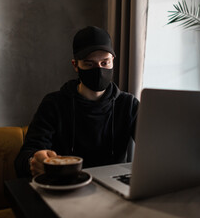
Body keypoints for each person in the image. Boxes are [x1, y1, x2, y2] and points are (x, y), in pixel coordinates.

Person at [14, 26, 139, 178]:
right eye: (89, 64)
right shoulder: (54, 104)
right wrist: (33, 161)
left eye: (104, 63)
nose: (98, 71)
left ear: (113, 60)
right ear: (75, 65)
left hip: (114, 190)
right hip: (66, 187)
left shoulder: (129, 105)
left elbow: (154, 146)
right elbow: (23, 158)